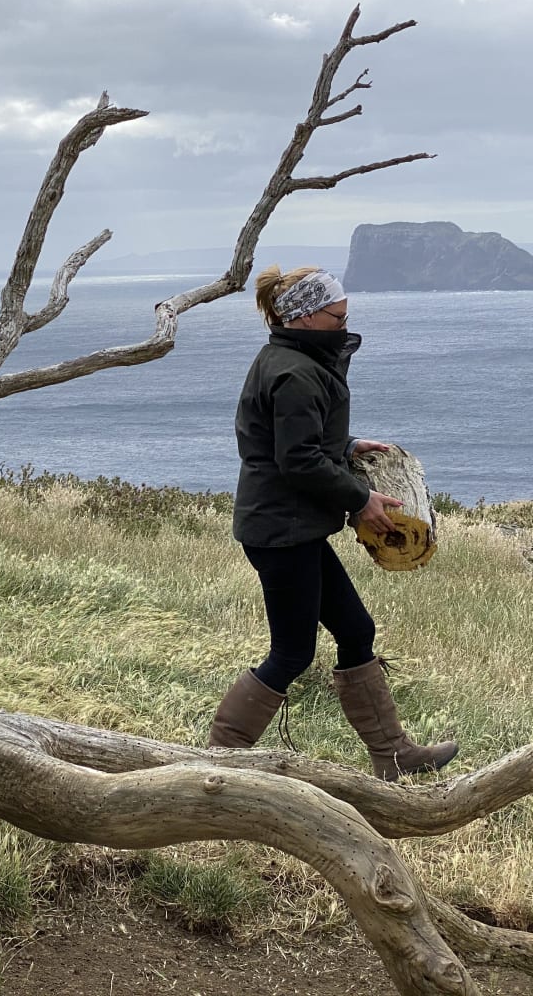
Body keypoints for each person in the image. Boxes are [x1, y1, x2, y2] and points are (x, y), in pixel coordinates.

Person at [207, 265, 457, 780]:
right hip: (281, 532)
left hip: (290, 527)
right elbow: (295, 460)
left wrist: (345, 446)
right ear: (305, 315)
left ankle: (394, 757)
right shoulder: (294, 372)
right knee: (293, 653)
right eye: (337, 315)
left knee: (356, 629)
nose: (346, 322)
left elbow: (295, 442)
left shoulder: (295, 359)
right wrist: (359, 498)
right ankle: (219, 761)